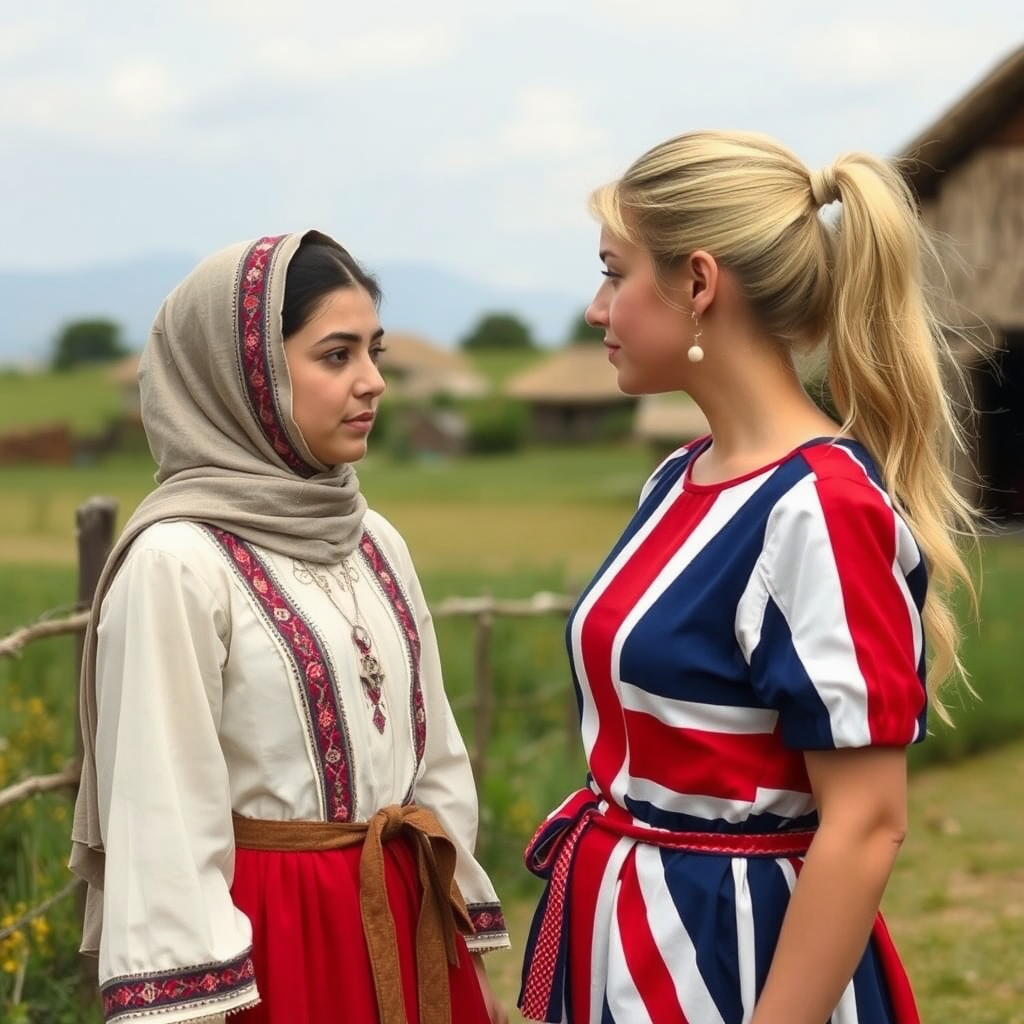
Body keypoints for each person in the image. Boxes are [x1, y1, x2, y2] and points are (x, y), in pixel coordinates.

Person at [518, 131, 976, 1024]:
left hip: (731, 955)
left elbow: (866, 821)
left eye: (614, 273)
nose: (594, 308)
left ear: (697, 283)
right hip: (621, 928)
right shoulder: (677, 478)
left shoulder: (820, 506)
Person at [69, 230, 510, 1024]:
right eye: (336, 356)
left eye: (373, 351)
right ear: (247, 376)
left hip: (407, 914)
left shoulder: (374, 539)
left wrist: (452, 918)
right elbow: (163, 818)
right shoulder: (177, 561)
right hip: (275, 950)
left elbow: (436, 757)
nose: (373, 382)